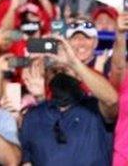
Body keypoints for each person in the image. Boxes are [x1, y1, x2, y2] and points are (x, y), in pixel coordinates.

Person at [19, 37, 119, 166]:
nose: (60, 76)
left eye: (66, 71)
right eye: (55, 72)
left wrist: (74, 63)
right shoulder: (33, 116)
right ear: (47, 77)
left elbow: (112, 100)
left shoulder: (95, 109)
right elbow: (27, 162)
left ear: (79, 76)